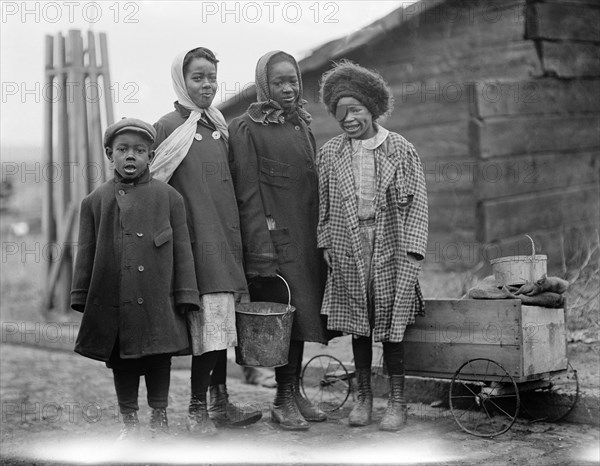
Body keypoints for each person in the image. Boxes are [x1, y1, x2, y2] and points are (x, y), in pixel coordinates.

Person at [151, 47, 262, 434]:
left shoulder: (218, 126)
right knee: (208, 326)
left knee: (219, 327)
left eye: (212, 77)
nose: (207, 85)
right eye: (198, 77)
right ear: (182, 81)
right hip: (195, 244)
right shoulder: (168, 127)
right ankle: (197, 409)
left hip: (226, 241)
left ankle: (218, 401)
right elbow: (153, 187)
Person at [71, 118, 200, 440]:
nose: (131, 156)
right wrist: (81, 295)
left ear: (151, 156)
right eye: (123, 150)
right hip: (116, 301)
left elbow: (182, 250)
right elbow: (86, 252)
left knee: (159, 359)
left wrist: (186, 294)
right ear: (109, 154)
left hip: (159, 299)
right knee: (122, 363)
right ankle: (128, 422)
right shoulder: (96, 201)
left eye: (140, 150)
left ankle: (160, 416)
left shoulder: (170, 198)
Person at [317, 61, 428, 431]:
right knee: (359, 324)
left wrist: (412, 250)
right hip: (348, 243)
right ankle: (364, 398)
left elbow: (417, 206)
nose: (348, 119)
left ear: (372, 108)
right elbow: (324, 204)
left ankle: (398, 402)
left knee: (392, 324)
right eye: (340, 112)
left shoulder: (399, 148)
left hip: (391, 244)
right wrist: (325, 243)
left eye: (355, 110)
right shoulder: (331, 152)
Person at [228, 50, 330, 431]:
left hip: (306, 241)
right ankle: (282, 399)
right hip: (275, 245)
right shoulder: (246, 128)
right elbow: (247, 195)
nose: (288, 89)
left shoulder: (300, 125)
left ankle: (295, 391)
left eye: (293, 81)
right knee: (283, 321)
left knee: (302, 317)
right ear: (263, 85)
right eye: (279, 82)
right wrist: (260, 252)